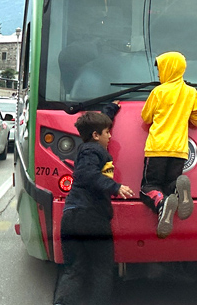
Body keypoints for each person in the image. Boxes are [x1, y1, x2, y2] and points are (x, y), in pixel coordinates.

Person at [53, 102, 134, 305]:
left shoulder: (88, 145)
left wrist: (110, 109)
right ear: (97, 135)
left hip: (71, 217)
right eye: (107, 132)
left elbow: (96, 125)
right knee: (102, 268)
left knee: (74, 268)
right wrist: (115, 187)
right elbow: (85, 174)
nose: (110, 136)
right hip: (91, 217)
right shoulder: (93, 151)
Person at [140, 51, 197, 238]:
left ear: (168, 69)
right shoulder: (191, 93)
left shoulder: (158, 92)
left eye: (160, 70)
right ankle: (177, 188)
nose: (159, 75)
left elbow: (145, 116)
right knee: (168, 185)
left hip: (158, 147)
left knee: (148, 187)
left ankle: (160, 203)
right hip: (179, 150)